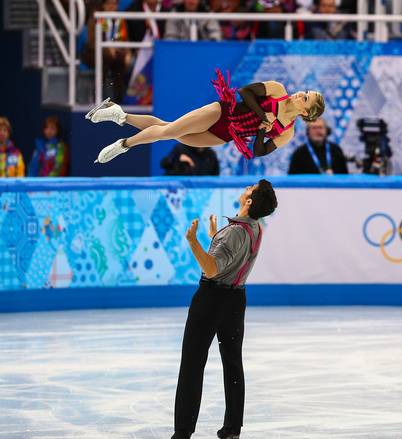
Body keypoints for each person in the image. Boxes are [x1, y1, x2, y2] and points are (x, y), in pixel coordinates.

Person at [172, 180, 278, 439]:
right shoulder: (255, 228)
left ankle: (183, 432)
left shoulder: (234, 232)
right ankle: (232, 428)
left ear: (249, 201)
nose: (246, 188)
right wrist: (214, 237)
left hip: (211, 300)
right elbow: (234, 256)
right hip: (236, 302)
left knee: (192, 364)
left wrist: (193, 242)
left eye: (250, 188)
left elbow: (212, 268)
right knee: (232, 363)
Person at [86, 70, 325, 163]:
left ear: (305, 112)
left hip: (224, 136)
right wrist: (263, 115)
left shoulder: (287, 132)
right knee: (169, 132)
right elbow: (245, 92)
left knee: (167, 130)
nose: (299, 94)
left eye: (305, 98)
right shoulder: (278, 90)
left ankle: (120, 115)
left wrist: (263, 128)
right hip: (221, 112)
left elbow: (258, 152)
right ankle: (123, 145)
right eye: (304, 92)